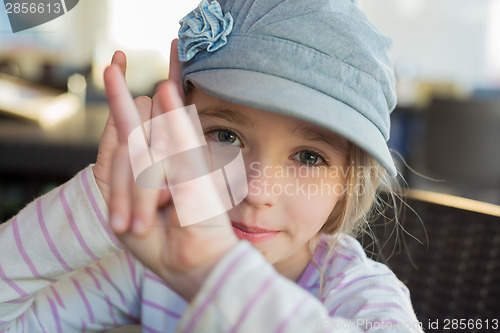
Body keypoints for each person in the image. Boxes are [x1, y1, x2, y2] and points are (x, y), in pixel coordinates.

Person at [0, 0, 424, 332]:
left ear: (348, 184)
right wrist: (99, 207)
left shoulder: (360, 294)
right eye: (225, 137)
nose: (256, 191)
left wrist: (217, 273)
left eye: (309, 157)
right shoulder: (153, 265)